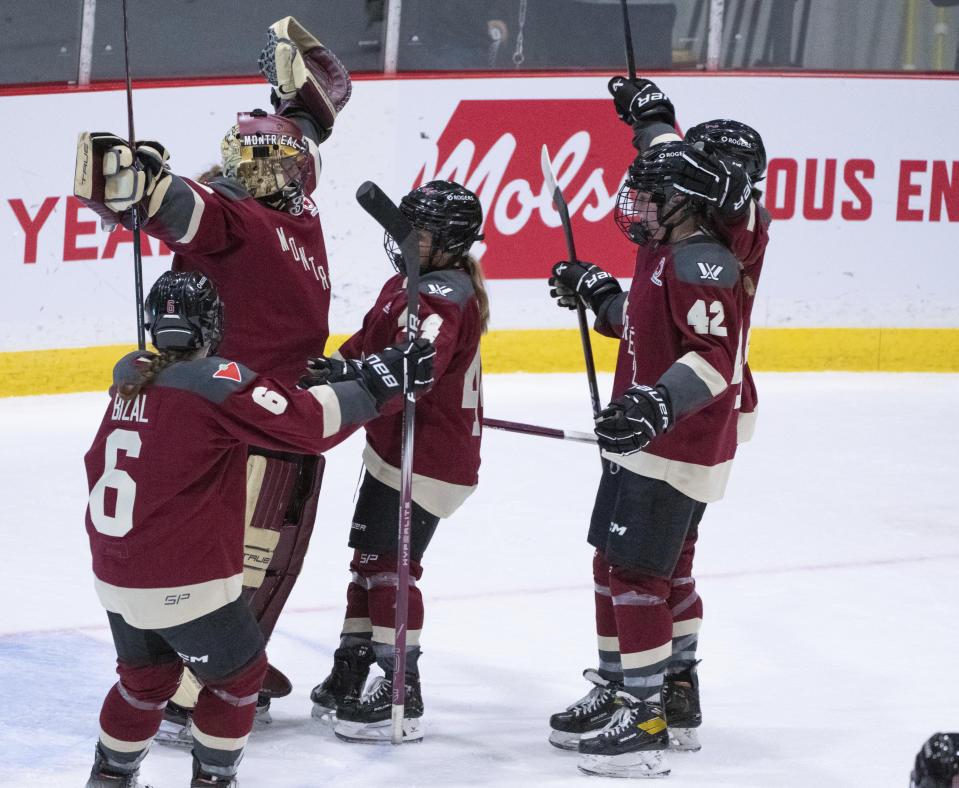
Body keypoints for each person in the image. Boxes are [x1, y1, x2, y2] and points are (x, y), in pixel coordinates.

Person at [73, 15, 352, 735]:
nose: (244, 168)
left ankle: (232, 653)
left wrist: (293, 116)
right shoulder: (251, 214)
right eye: (238, 154)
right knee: (237, 553)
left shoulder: (285, 214)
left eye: (262, 161)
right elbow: (185, 207)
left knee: (270, 553)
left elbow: (273, 159)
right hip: (233, 418)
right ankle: (202, 683)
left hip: (266, 407)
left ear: (299, 177)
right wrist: (137, 187)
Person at [83, 270, 434, 787]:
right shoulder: (212, 380)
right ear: (212, 326)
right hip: (180, 580)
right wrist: (376, 384)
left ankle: (109, 778)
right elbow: (306, 426)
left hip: (115, 575)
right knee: (238, 677)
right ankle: (214, 782)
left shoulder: (130, 377)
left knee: (146, 678)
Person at [545, 138, 757, 778]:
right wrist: (599, 294)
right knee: (619, 564)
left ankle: (645, 714)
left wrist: (656, 408)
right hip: (645, 443)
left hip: (674, 447)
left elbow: (715, 359)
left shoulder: (702, 263)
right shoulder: (664, 252)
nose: (636, 204)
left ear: (688, 203)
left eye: (653, 195)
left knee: (636, 575)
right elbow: (642, 325)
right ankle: (628, 688)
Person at [305, 180, 489, 744]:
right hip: (397, 447)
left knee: (390, 566)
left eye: (419, 233)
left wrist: (363, 374)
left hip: (427, 454)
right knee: (370, 560)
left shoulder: (442, 291)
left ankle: (401, 687)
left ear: (450, 241)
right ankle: (353, 665)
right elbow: (366, 348)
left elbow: (419, 364)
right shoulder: (409, 284)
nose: (403, 238)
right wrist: (330, 370)